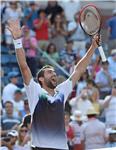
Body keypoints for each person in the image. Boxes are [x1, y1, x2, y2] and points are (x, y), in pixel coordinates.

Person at [7, 19, 100, 150]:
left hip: (62, 147)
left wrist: (93, 47)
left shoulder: (62, 92)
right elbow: (24, 67)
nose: (54, 74)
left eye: (54, 72)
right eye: (49, 72)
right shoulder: (35, 91)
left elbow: (78, 70)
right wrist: (17, 40)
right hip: (40, 148)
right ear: (40, 79)